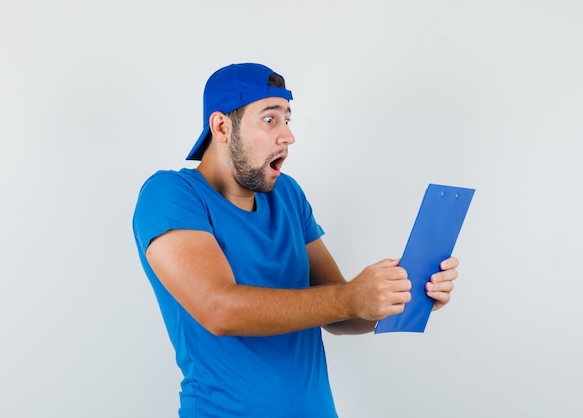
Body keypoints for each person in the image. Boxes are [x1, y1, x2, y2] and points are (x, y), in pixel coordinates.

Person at [132, 63, 459, 417]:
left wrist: (402, 297)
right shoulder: (171, 194)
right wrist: (352, 297)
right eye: (270, 119)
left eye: (287, 119)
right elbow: (218, 308)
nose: (288, 136)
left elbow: (339, 313)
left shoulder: (287, 194)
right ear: (222, 126)